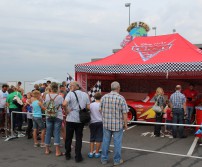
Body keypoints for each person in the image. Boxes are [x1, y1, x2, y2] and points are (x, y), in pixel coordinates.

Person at [100, 81, 128, 166]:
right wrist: (126, 124)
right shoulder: (121, 98)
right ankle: (117, 160)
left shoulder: (104, 97)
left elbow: (100, 109)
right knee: (117, 143)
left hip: (106, 123)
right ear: (118, 88)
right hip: (117, 124)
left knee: (105, 141)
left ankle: (104, 159)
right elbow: (125, 113)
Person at [63, 81, 90, 163]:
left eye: (71, 85)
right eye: (70, 85)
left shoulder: (70, 94)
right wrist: (83, 109)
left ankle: (67, 154)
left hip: (71, 118)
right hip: (80, 119)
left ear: (77, 86)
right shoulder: (85, 94)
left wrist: (67, 111)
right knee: (78, 138)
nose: (70, 86)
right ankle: (78, 156)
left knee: (68, 138)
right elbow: (88, 107)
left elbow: (64, 104)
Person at [44, 82, 64, 156]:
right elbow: (63, 105)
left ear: (50, 88)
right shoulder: (60, 97)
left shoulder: (47, 96)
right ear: (57, 88)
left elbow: (45, 104)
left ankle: (47, 150)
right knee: (57, 133)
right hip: (58, 116)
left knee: (48, 132)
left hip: (48, 115)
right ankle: (57, 151)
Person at [88, 92, 103, 159]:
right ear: (101, 97)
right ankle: (97, 153)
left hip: (92, 122)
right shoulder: (102, 105)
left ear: (94, 97)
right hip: (100, 122)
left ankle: (91, 152)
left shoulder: (91, 105)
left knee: (92, 137)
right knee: (99, 138)